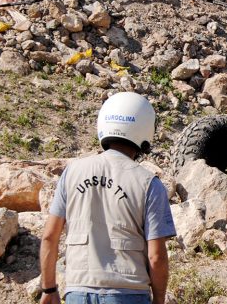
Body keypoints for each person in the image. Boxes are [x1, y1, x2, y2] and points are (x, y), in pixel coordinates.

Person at [39, 92, 175, 304]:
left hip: (77, 291)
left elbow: (49, 236)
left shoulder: (71, 173)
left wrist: (49, 289)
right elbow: (156, 256)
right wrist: (158, 300)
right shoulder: (149, 184)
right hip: (127, 293)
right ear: (146, 129)